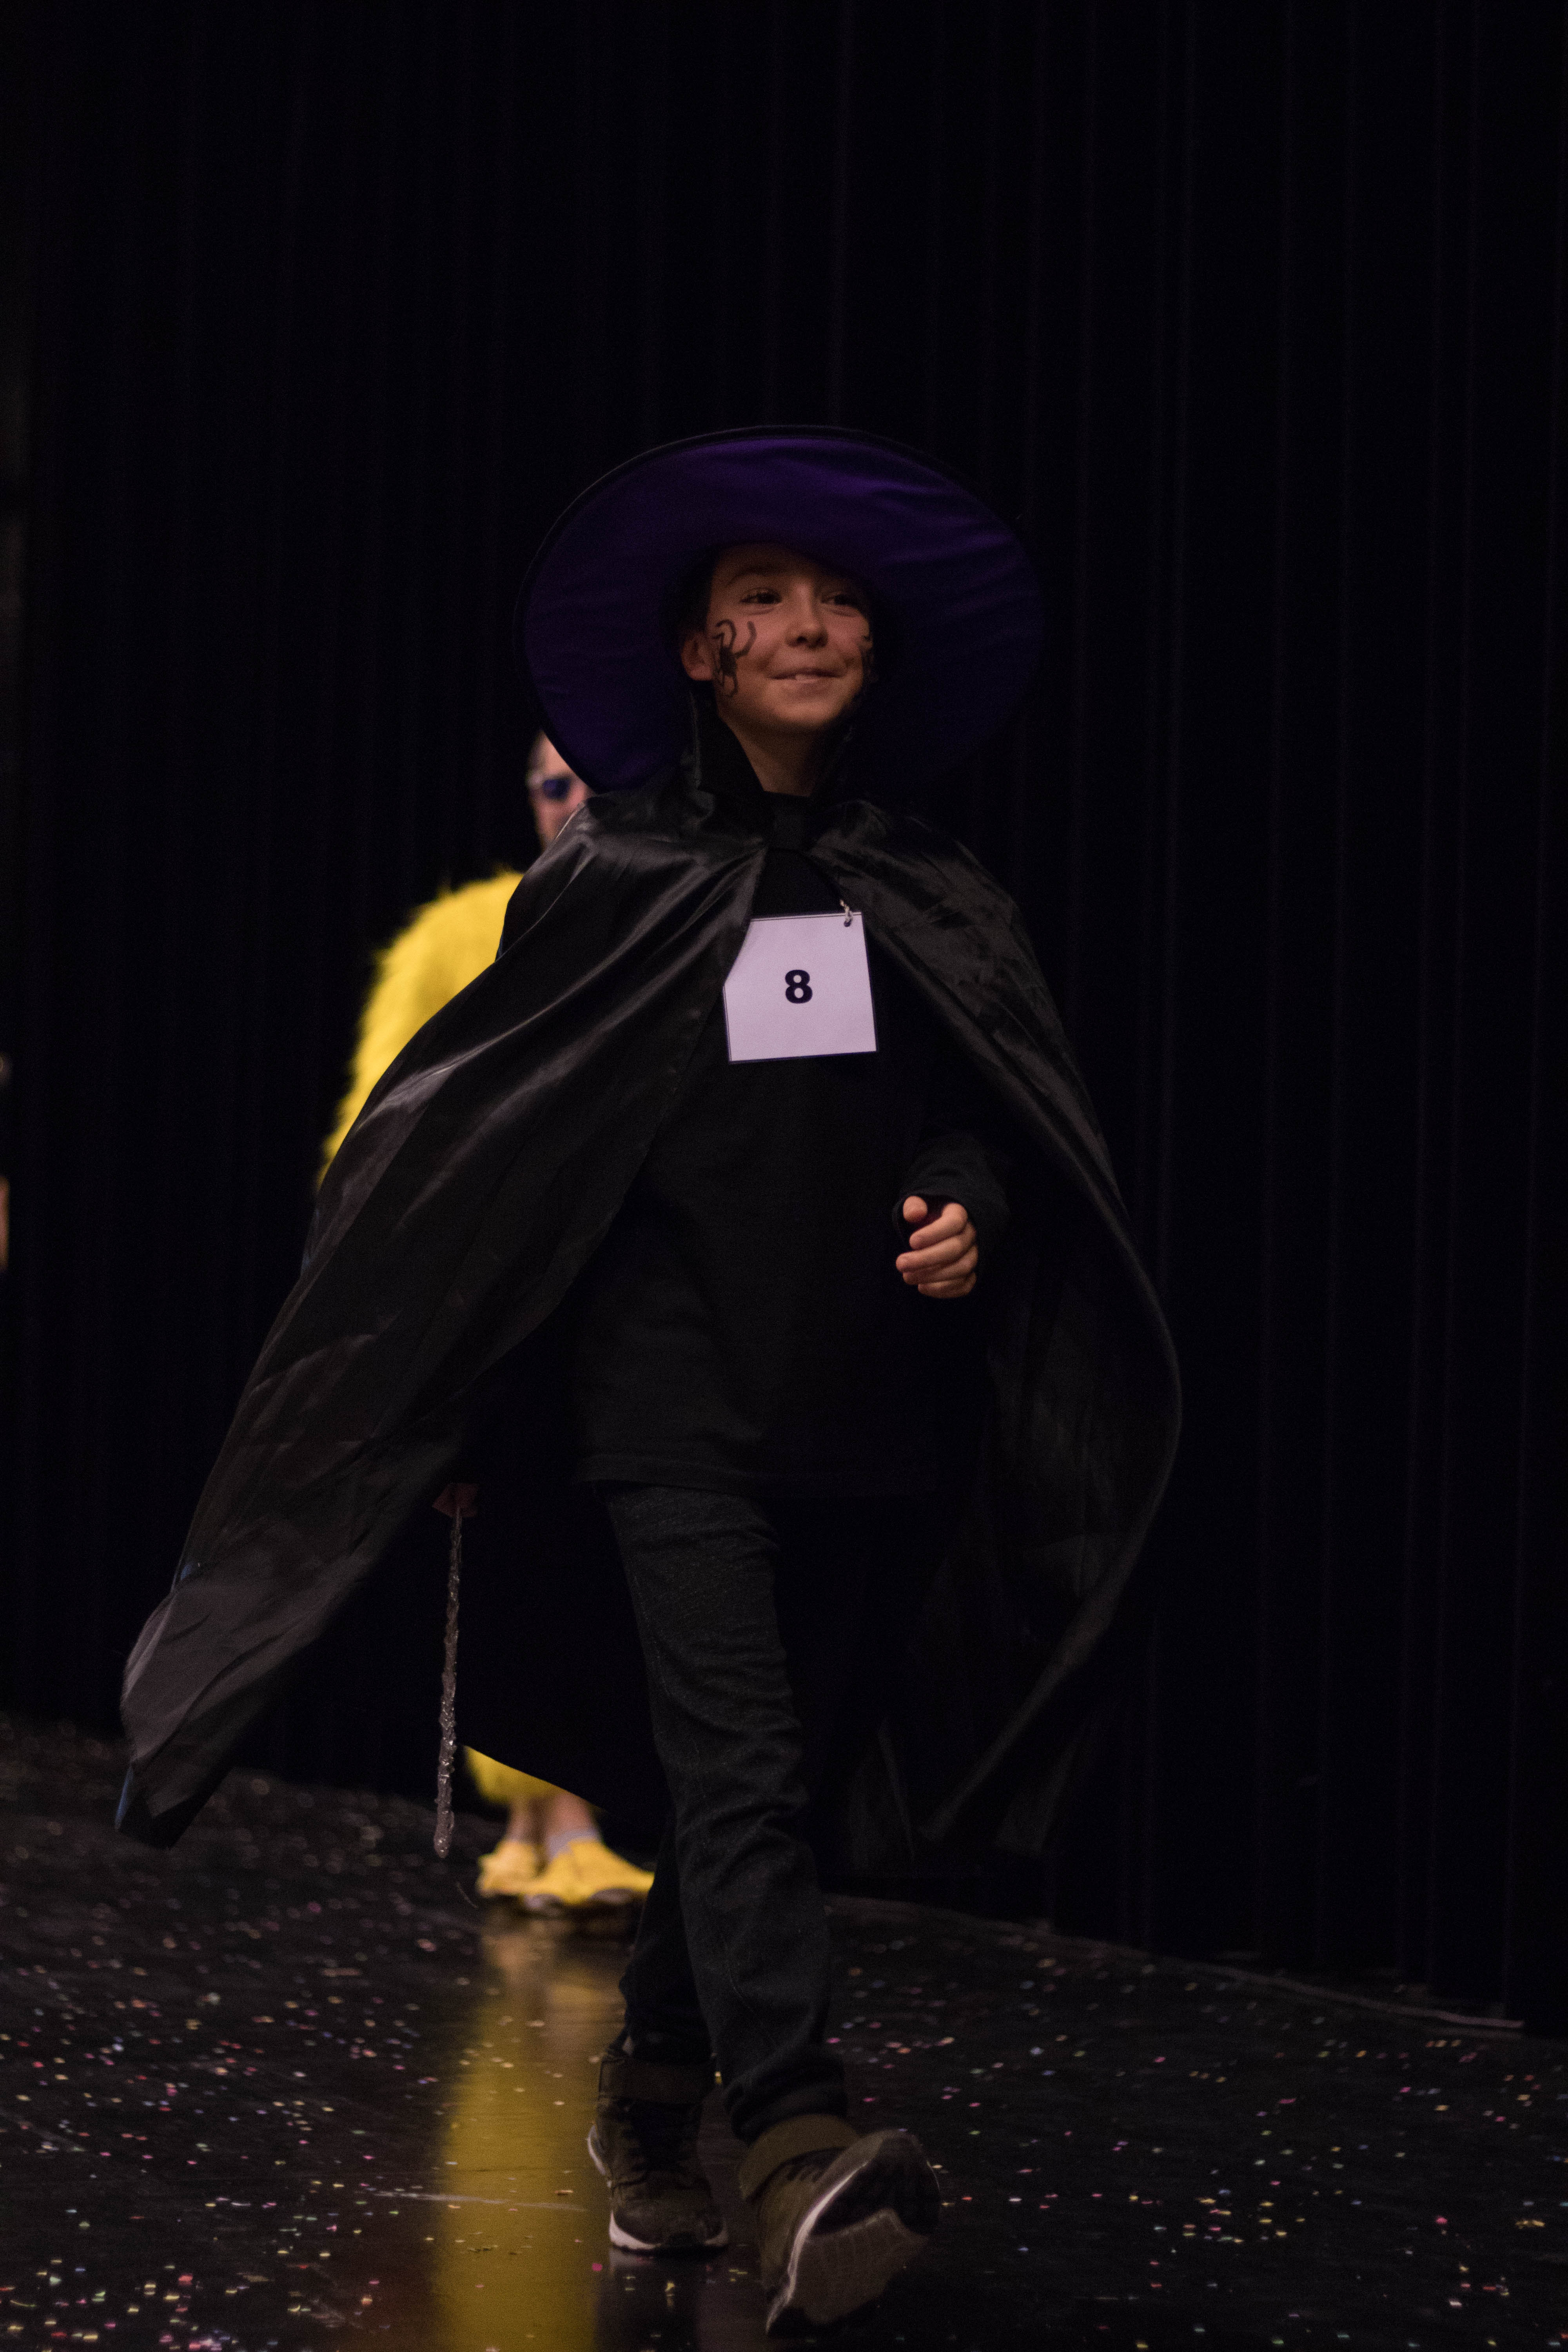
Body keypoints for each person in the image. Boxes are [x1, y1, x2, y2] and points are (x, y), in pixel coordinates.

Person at [118, 428, 1180, 2338]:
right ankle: (796, 2132)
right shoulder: (614, 876)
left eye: (837, 598)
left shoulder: (923, 883)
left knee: (761, 1795)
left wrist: (969, 1198)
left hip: (867, 1410)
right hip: (665, 1408)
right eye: (764, 598)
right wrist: (459, 1402)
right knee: (740, 1767)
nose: (810, 623)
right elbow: (482, 1160)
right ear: (702, 651)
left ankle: (654, 2096)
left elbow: (989, 1112)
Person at [323, 737, 651, 1918]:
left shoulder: (668, 926)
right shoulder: (464, 933)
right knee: (510, 1540)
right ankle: (546, 1818)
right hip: (494, 1285)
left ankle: (569, 1817)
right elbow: (382, 1118)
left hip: (628, 1289)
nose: (576, 804)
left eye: (597, 780)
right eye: (555, 785)